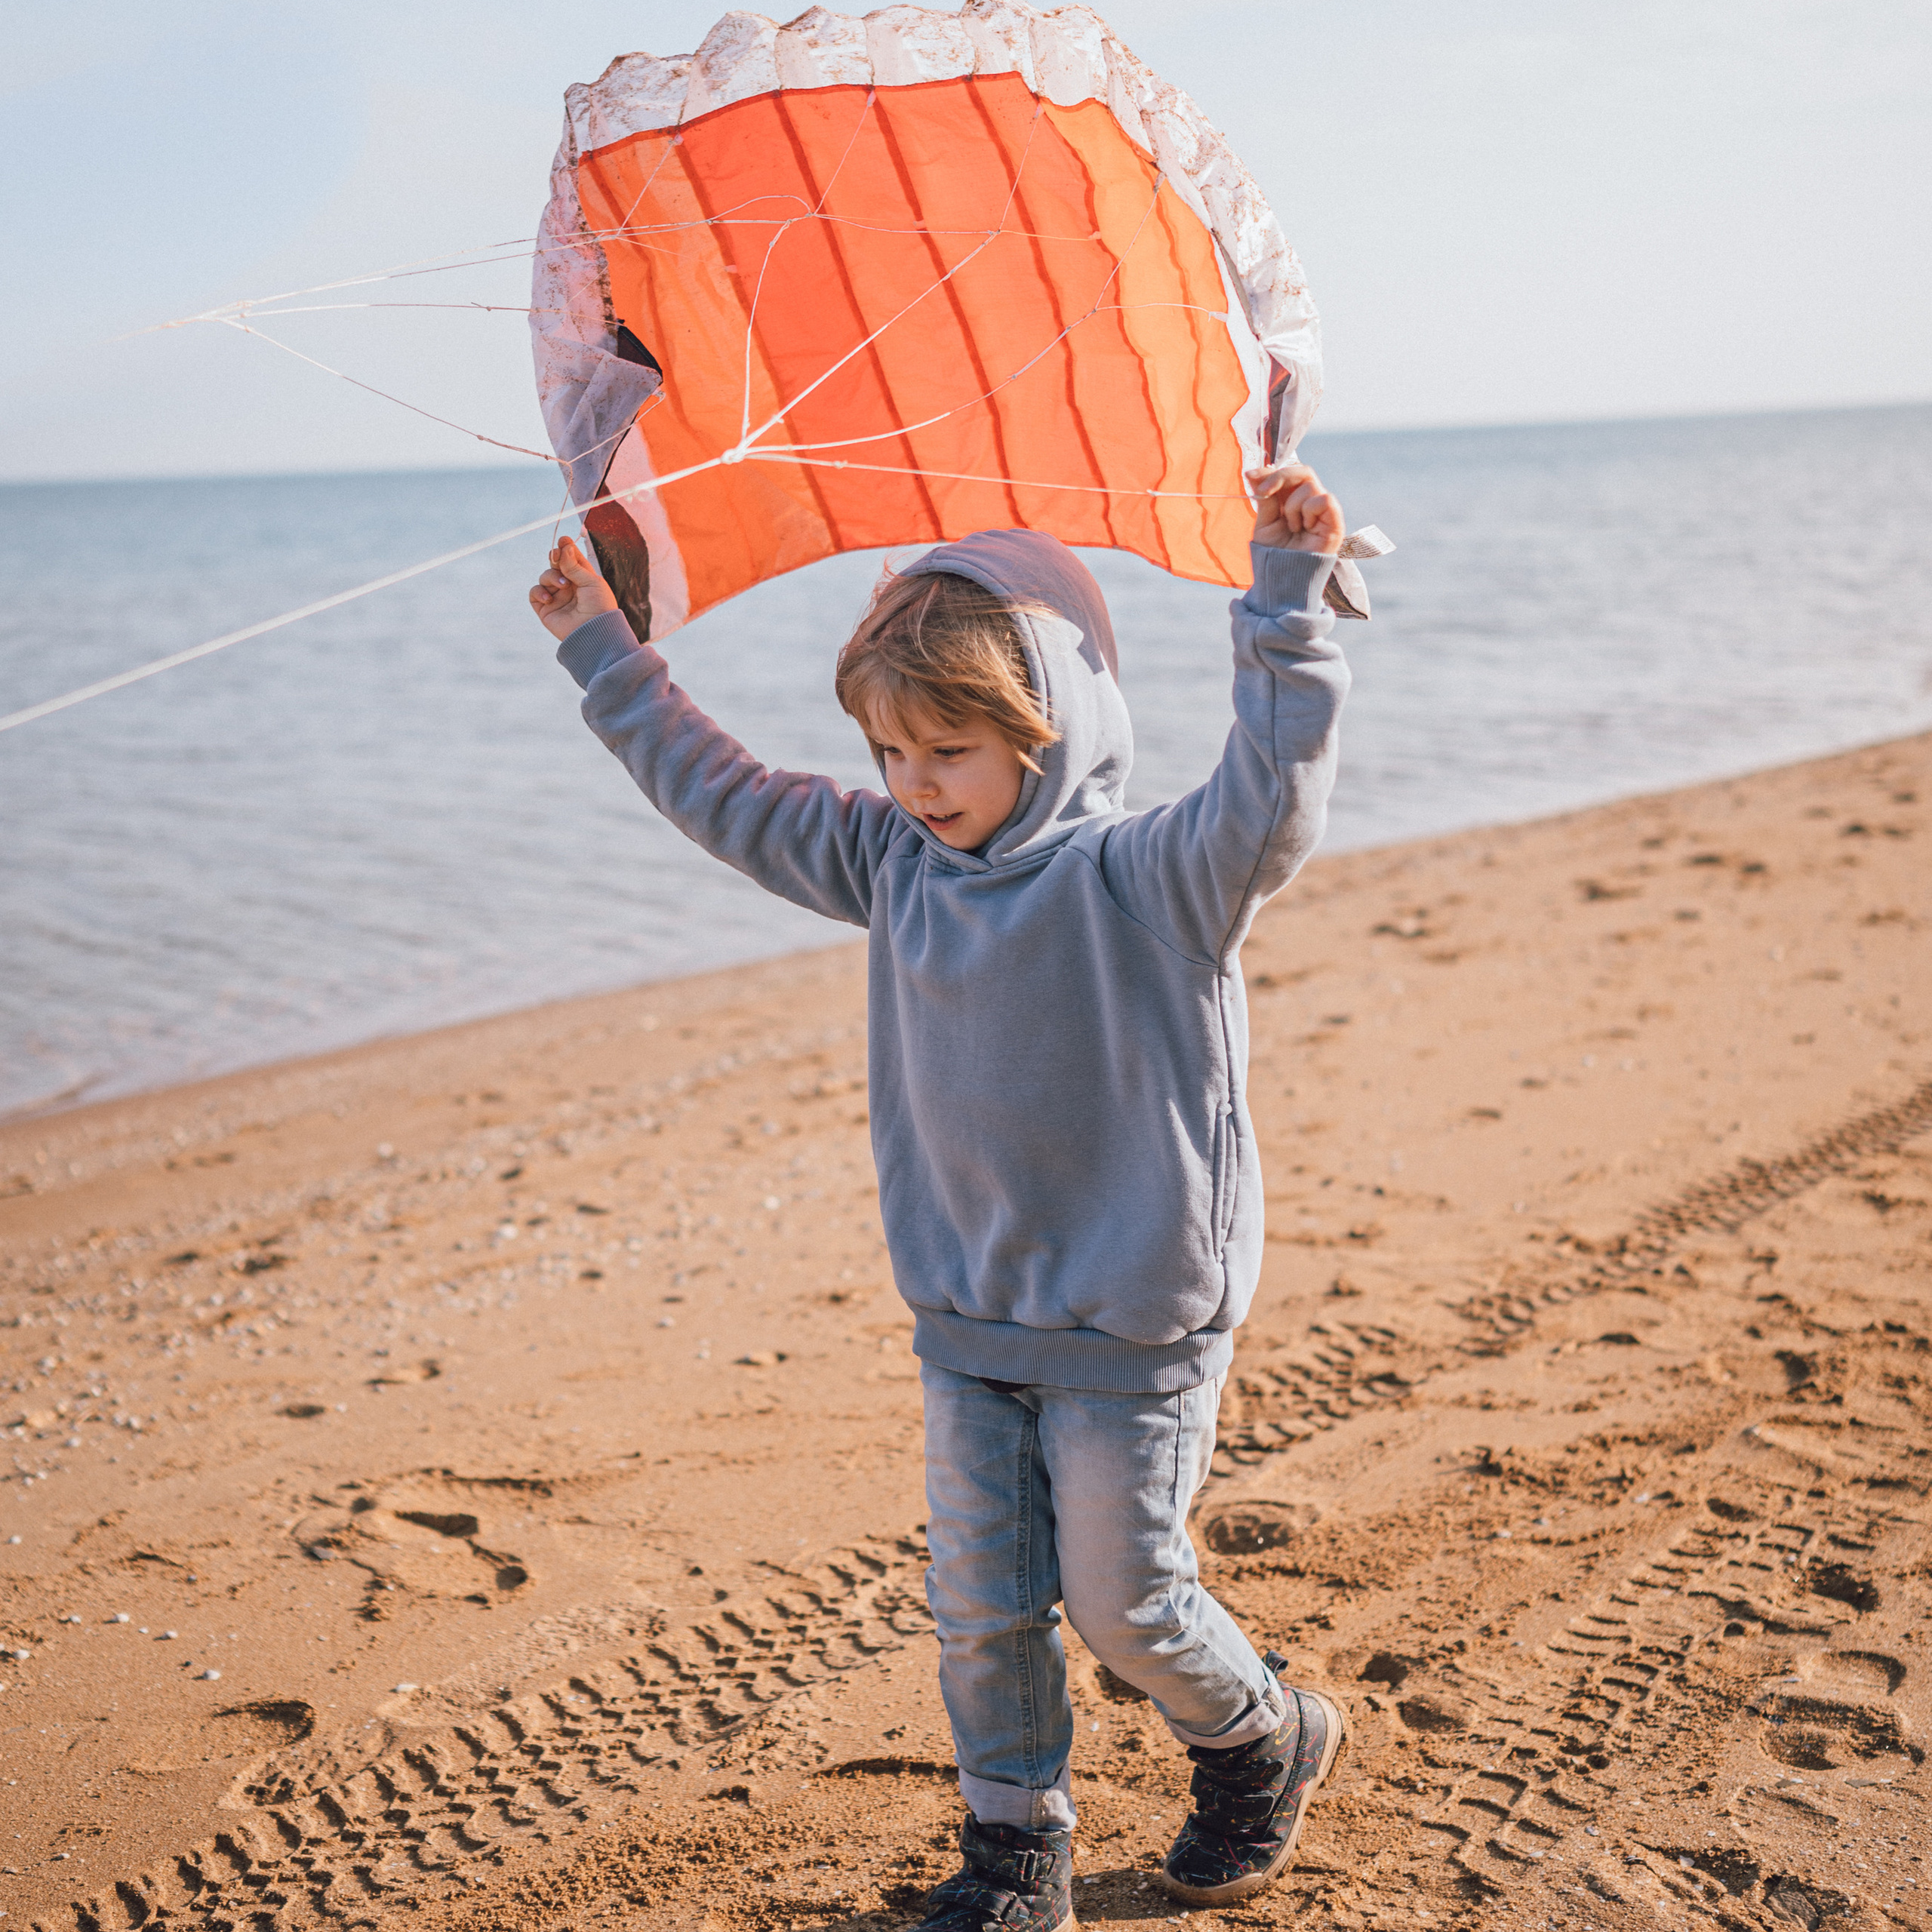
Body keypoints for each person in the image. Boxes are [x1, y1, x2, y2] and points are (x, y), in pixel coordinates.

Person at [530, 463, 1353, 1931]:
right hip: (966, 1315)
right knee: (981, 1611)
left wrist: (1284, 607)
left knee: (1126, 1604)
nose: (914, 780)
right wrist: (603, 646)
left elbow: (1268, 794)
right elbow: (714, 787)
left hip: (1128, 1320)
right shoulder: (886, 860)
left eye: (950, 747)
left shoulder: (1147, 878)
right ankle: (1014, 1848)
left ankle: (1259, 1733)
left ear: (1047, 726)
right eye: (890, 746)